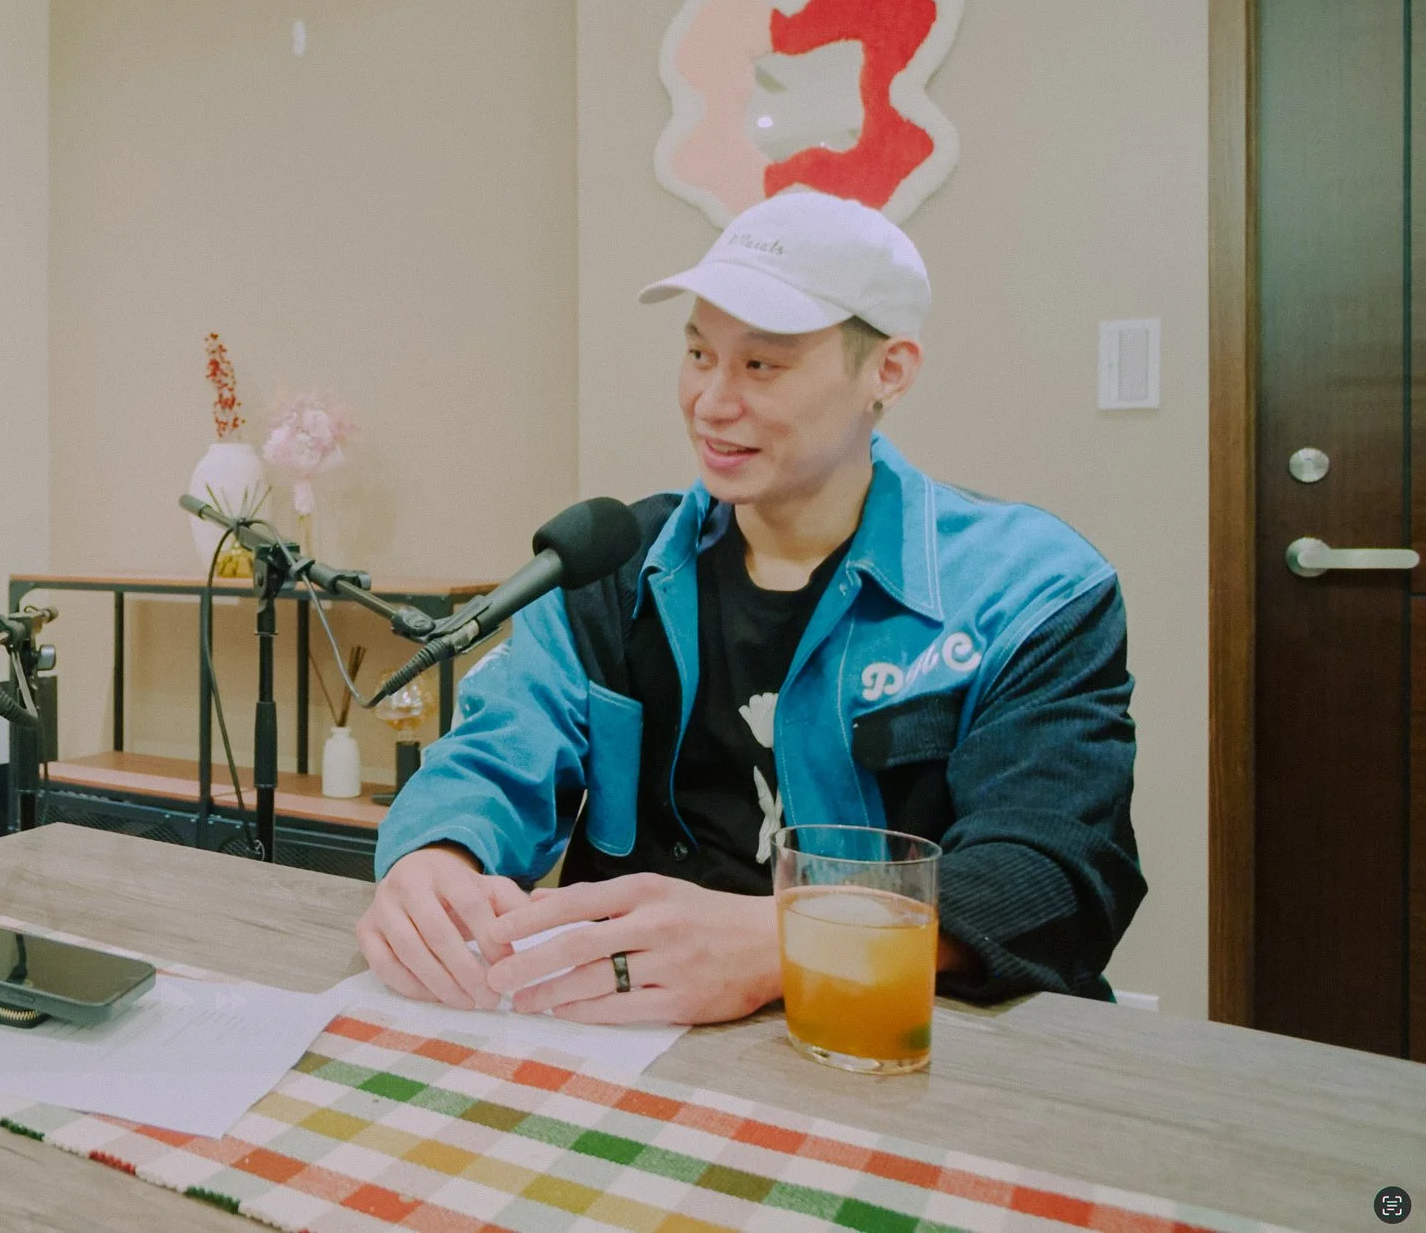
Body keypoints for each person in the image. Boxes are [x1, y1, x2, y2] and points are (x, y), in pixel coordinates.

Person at [357, 189, 1143, 1026]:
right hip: (625, 1036)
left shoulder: (1032, 588)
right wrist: (437, 856)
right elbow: (493, 753)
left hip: (898, 1042)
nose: (711, 401)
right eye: (699, 355)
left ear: (888, 371)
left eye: (761, 365)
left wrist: (789, 940)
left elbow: (1053, 871)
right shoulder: (613, 567)